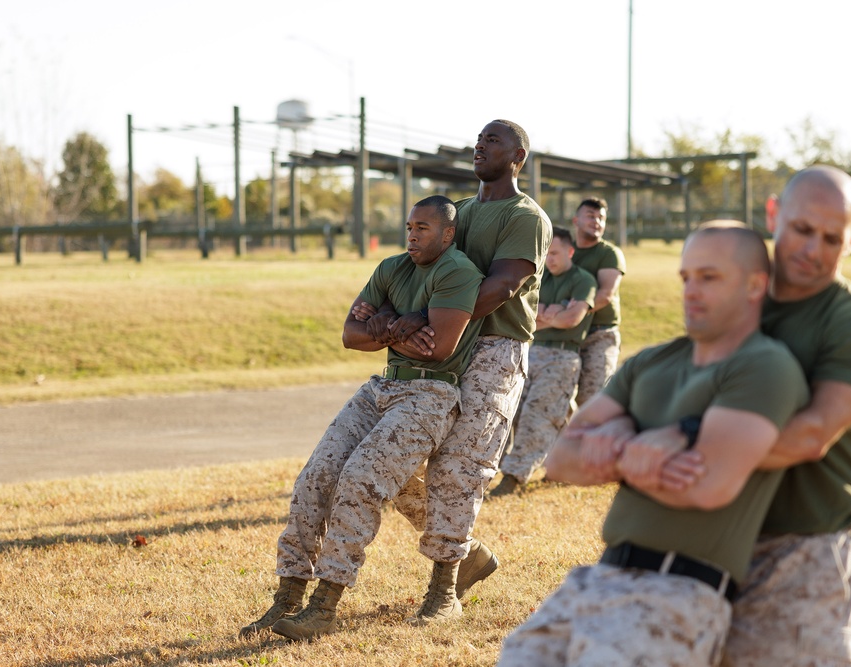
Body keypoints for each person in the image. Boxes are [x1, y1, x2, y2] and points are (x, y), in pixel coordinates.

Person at [495, 221, 810, 666]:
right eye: (686, 278)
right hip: (596, 579)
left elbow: (707, 484)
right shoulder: (651, 363)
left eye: (710, 277)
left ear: (756, 285)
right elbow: (563, 458)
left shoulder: (765, 366)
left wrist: (616, 444)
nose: (691, 291)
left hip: (679, 591)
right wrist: (638, 451)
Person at [239, 195, 484, 641]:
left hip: (430, 394)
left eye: (423, 228)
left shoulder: (458, 272)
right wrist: (397, 324)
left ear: (448, 234)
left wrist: (382, 325)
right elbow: (350, 335)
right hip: (382, 385)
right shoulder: (392, 268)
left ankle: (324, 607)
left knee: (359, 481)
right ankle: (287, 598)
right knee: (315, 476)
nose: (412, 235)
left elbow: (439, 348)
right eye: (409, 226)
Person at [356, 119, 552, 623]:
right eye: (479, 139)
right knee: (394, 463)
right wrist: (387, 316)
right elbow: (419, 267)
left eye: (494, 140)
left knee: (459, 467)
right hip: (433, 349)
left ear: (519, 157)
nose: (480, 146)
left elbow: (502, 286)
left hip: (492, 349)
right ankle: (468, 553)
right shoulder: (456, 213)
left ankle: (444, 588)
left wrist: (421, 318)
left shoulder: (525, 216)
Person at [717, 165, 851, 665]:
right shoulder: (737, 300)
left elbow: (810, 435)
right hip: (720, 541)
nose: (812, 249)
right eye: (801, 229)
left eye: (831, 238)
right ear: (774, 213)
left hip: (811, 550)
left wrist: (682, 447)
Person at [490, 226, 596, 497]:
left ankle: (513, 477)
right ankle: (565, 465)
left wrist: (545, 314)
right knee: (514, 411)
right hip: (533, 352)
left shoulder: (583, 280)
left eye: (556, 253)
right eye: (547, 254)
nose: (550, 259)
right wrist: (554, 312)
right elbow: (525, 318)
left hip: (563, 356)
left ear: (570, 252)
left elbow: (572, 319)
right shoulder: (540, 278)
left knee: (538, 415)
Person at [569, 197, 626, 406]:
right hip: (566, 334)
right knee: (557, 396)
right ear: (576, 221)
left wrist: (569, 314)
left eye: (601, 218)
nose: (597, 222)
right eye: (591, 216)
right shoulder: (566, 252)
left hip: (599, 334)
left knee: (592, 396)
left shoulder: (609, 253)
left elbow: (605, 295)